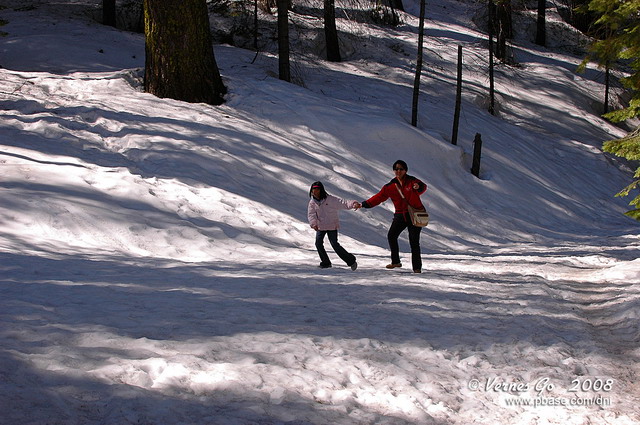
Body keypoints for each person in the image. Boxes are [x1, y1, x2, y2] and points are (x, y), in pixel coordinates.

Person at [359, 160, 427, 273]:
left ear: (405, 170)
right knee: (392, 235)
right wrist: (364, 204)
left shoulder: (412, 181)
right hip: (400, 215)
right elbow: (379, 197)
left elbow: (423, 187)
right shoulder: (390, 186)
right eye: (396, 169)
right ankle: (395, 261)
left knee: (414, 241)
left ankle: (417, 268)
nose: (398, 171)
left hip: (415, 215)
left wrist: (418, 186)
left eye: (401, 169)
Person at [307, 181, 360, 270]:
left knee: (334, 244)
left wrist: (354, 204)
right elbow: (311, 214)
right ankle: (325, 262)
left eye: (317, 189)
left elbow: (343, 203)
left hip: (331, 225)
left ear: (321, 190)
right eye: (313, 189)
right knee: (318, 243)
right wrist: (313, 224)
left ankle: (351, 260)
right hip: (321, 226)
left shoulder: (330, 199)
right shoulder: (312, 202)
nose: (315, 191)